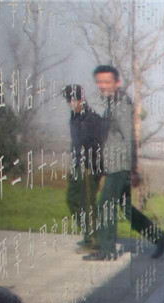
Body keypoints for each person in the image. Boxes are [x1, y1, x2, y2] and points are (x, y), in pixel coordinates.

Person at [85, 65, 164, 262]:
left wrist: (132, 169)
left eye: (107, 82)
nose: (102, 85)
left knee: (105, 205)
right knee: (126, 209)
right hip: (115, 165)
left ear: (116, 83)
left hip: (120, 167)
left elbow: (129, 138)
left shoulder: (121, 104)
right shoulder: (112, 103)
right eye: (99, 81)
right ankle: (161, 239)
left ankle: (106, 250)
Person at [62, 84, 107, 252]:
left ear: (81, 99)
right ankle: (89, 234)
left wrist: (90, 165)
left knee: (87, 203)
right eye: (69, 101)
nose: (71, 103)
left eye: (74, 100)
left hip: (90, 166)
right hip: (77, 165)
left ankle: (93, 240)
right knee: (72, 199)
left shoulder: (91, 118)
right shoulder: (74, 117)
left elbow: (98, 145)